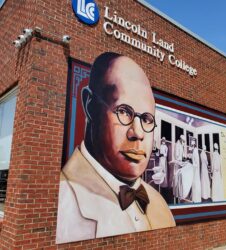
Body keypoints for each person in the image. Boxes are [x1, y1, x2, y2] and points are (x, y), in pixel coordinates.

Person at [56, 52, 175, 244]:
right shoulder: (60, 203)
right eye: (123, 111)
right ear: (90, 106)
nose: (137, 132)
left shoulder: (159, 203)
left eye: (146, 119)